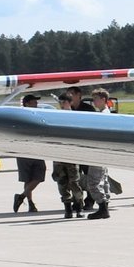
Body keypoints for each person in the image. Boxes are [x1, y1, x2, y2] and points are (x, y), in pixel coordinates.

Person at [82, 86, 115, 219]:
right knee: (103, 179)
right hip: (104, 151)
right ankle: (104, 206)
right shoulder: (106, 112)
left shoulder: (103, 115)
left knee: (93, 181)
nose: (93, 102)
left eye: (95, 99)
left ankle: (102, 207)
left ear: (103, 99)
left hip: (99, 151)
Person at [52, 89, 86, 218]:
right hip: (59, 155)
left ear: (70, 102)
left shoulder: (75, 116)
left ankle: (79, 207)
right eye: (60, 102)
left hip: (72, 155)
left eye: (64, 101)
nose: (62, 104)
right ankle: (67, 208)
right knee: (62, 183)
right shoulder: (56, 117)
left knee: (75, 183)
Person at [12, 93, 47, 212]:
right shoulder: (23, 115)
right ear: (27, 104)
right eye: (34, 102)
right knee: (32, 177)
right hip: (26, 149)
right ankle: (29, 202)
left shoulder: (34, 114)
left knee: (36, 177)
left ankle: (23, 198)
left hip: (34, 149)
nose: (36, 104)